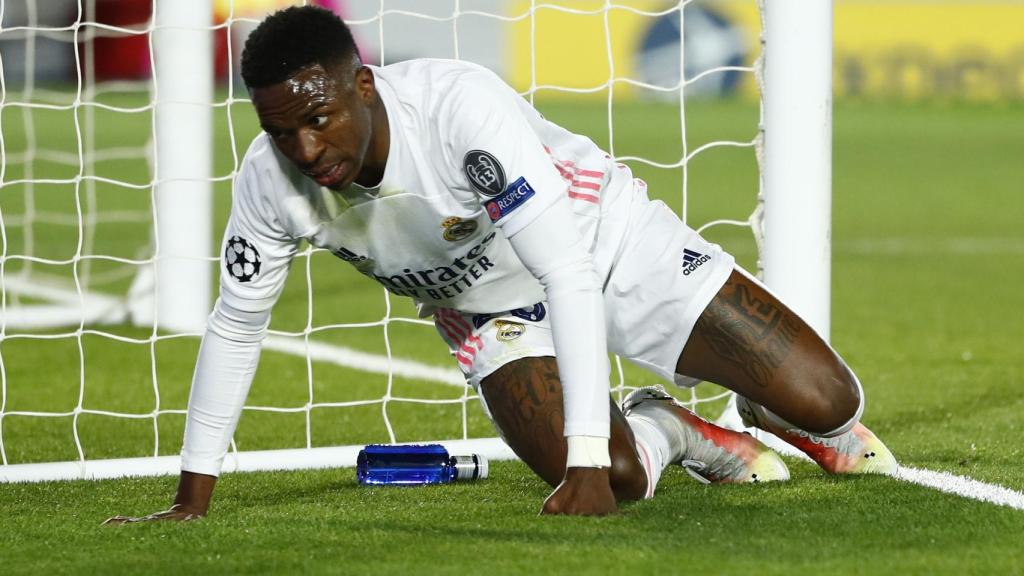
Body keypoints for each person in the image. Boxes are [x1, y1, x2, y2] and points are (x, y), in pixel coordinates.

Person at [105, 6, 896, 523]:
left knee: (829, 400)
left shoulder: (457, 110)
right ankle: (668, 429)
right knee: (617, 476)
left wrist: (579, 461)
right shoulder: (268, 183)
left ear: (365, 87)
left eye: (319, 119)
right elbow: (236, 327)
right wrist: (191, 498)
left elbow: (569, 273)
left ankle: (764, 406)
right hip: (495, 315)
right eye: (282, 133)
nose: (304, 150)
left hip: (600, 243)